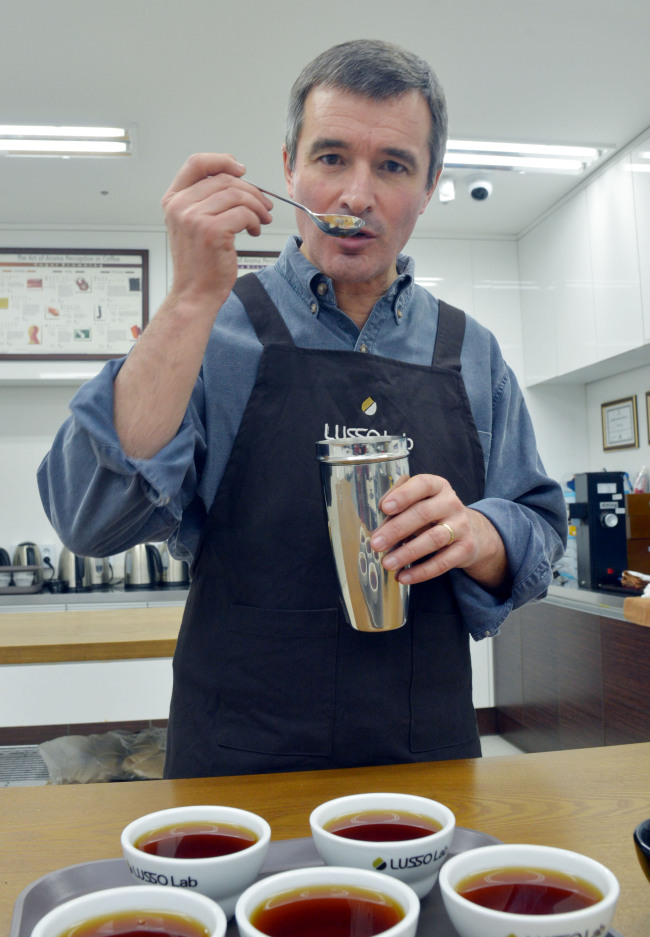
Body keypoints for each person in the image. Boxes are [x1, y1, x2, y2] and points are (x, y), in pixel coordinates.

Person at [38, 39, 567, 778]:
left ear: (429, 184)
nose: (356, 195)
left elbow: (542, 529)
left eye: (392, 166)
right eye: (330, 158)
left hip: (425, 769)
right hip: (237, 775)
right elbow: (88, 522)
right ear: (288, 165)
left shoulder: (473, 352)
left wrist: (483, 534)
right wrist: (190, 299)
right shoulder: (208, 333)